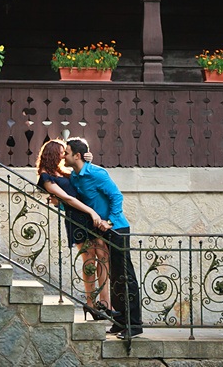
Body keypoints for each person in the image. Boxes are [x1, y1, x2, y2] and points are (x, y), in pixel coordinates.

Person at [64, 137, 143, 340]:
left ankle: (134, 325)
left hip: (116, 228)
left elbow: (116, 196)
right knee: (113, 275)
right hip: (100, 231)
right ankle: (120, 321)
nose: (64, 155)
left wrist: (110, 221)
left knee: (125, 276)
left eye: (67, 152)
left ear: (77, 155)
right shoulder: (75, 177)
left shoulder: (97, 173)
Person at [35, 139, 114, 320]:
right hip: (78, 220)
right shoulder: (46, 177)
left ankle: (105, 302)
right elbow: (68, 199)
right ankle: (91, 304)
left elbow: (81, 174)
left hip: (87, 216)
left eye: (66, 152)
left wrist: (88, 159)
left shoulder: (62, 172)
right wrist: (91, 212)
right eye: (62, 152)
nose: (64, 155)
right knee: (88, 259)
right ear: (54, 153)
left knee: (103, 255)